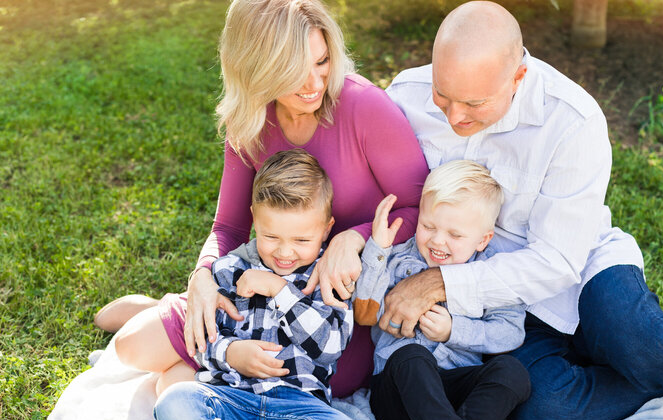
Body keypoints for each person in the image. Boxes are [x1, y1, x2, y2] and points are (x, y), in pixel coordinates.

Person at [380, 0, 663, 420]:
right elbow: (376, 193)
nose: (454, 116)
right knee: (547, 415)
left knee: (643, 342)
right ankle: (644, 376)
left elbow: (557, 261)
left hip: (578, 270)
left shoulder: (572, 120)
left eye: (475, 103)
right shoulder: (405, 96)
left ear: (518, 77)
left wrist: (440, 282)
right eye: (442, 96)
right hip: (501, 308)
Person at [94, 0, 428, 397]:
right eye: (293, 71)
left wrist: (352, 238)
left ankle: (166, 316)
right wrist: (202, 277)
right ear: (256, 68)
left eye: (321, 62)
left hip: (335, 302)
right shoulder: (249, 117)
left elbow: (419, 207)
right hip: (258, 284)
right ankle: (171, 310)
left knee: (328, 378)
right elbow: (230, 225)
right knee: (132, 349)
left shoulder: (364, 107)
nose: (314, 84)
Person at [149, 150, 365, 420]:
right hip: (232, 402)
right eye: (271, 236)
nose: (284, 251)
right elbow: (201, 343)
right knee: (174, 403)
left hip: (297, 412)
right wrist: (230, 353)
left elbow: (329, 347)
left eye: (301, 239)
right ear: (253, 220)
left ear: (327, 229)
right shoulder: (229, 270)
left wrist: (281, 291)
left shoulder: (329, 277)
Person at [355, 160, 538, 420]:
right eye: (428, 226)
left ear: (484, 239)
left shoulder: (490, 274)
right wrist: (377, 250)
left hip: (453, 401)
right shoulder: (399, 260)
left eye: (455, 235)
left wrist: (455, 330)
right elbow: (367, 311)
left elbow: (510, 333)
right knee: (411, 354)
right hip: (399, 399)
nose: (438, 241)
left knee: (513, 373)